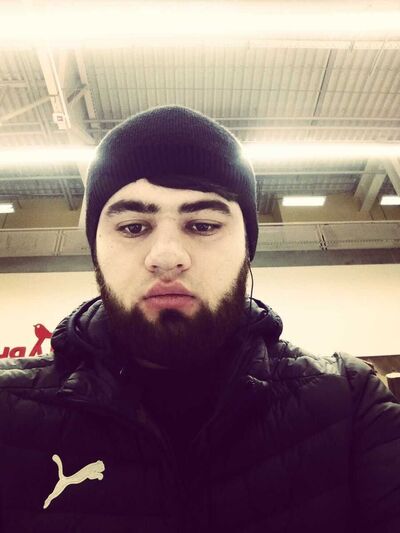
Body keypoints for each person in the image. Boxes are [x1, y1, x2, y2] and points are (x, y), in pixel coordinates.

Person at [0, 106, 399, 533]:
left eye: (204, 225)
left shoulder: (349, 405)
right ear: (96, 249)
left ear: (247, 247)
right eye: (133, 227)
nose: (167, 257)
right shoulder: (8, 411)